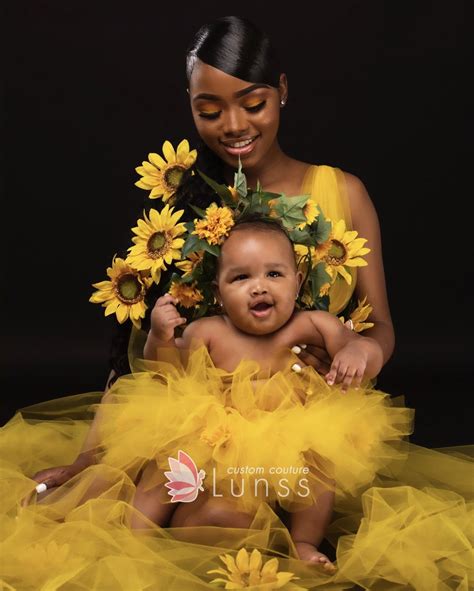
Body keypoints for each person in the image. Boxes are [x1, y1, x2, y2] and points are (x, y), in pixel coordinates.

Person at [29, 14, 394, 492]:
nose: (235, 126)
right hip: (204, 434)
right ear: (190, 105)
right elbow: (145, 358)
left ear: (281, 90)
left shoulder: (343, 192)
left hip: (311, 433)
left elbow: (382, 326)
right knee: (125, 503)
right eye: (210, 110)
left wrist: (365, 350)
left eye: (253, 103)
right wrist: (89, 458)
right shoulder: (185, 207)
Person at [130, 217, 387, 571]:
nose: (259, 288)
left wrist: (357, 354)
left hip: (288, 442)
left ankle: (303, 541)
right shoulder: (206, 331)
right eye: (241, 277)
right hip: (215, 439)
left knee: (320, 460)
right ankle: (134, 535)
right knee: (168, 460)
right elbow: (167, 376)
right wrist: (159, 337)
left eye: (274, 274)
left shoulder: (312, 324)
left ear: (297, 283)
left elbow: (359, 345)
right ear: (218, 293)